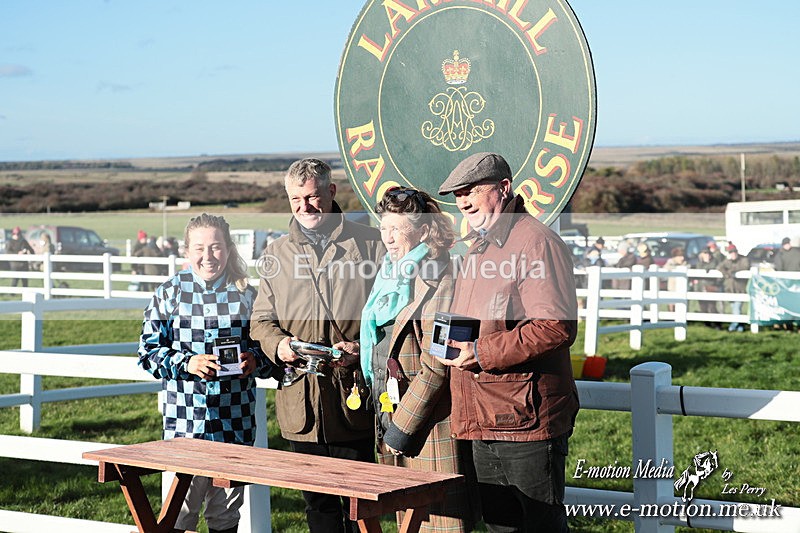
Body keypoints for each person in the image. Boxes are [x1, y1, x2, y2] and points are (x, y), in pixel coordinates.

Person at [437, 152, 579, 532]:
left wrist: (481, 352)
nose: (463, 201)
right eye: (457, 194)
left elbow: (556, 326)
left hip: (526, 421)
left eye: (471, 191)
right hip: (485, 415)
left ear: (504, 188)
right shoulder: (478, 247)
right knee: (502, 527)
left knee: (538, 527)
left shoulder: (536, 242)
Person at [250, 158, 384, 532]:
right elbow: (261, 321)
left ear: (331, 191)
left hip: (353, 399)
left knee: (362, 505)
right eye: (295, 199)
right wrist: (280, 346)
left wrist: (361, 347)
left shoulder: (371, 245)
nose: (304, 207)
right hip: (301, 405)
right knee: (318, 508)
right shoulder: (276, 254)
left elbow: (392, 315)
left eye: (311, 197)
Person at [138, 213, 277, 533]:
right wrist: (187, 363)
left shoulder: (248, 295)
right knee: (180, 514)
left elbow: (270, 355)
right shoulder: (168, 294)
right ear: (187, 251)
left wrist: (254, 361)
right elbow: (147, 353)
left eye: (216, 247)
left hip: (234, 424)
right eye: (199, 248)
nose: (208, 256)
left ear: (228, 249)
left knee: (225, 517)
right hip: (186, 426)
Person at [361, 187, 472, 532]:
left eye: (397, 229)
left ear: (423, 230)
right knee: (407, 523)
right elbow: (391, 339)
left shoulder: (440, 277)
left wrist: (401, 429)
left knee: (438, 525)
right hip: (391, 415)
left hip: (427, 426)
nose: (388, 238)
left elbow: (437, 364)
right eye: (384, 228)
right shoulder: (388, 275)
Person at [718, 243, 750, 332]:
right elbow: (720, 267)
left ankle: (733, 326)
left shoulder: (743, 259)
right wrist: (726, 273)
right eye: (731, 252)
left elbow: (745, 267)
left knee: (737, 308)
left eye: (734, 252)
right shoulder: (727, 261)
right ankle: (740, 326)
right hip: (730, 289)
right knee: (734, 308)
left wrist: (731, 271)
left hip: (740, 289)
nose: (733, 254)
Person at [694, 247, 721, 327]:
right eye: (705, 253)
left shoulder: (714, 262)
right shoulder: (699, 263)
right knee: (703, 306)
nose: (707, 255)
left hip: (711, 286)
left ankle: (717, 323)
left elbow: (715, 269)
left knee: (712, 306)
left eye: (708, 253)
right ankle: (707, 323)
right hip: (700, 287)